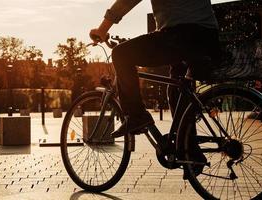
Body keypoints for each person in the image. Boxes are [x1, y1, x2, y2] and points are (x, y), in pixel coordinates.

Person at [90, 0, 221, 138]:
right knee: (178, 86)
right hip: (208, 38)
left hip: (180, 35)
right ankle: (188, 149)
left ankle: (136, 116)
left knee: (121, 54)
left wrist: (102, 29)